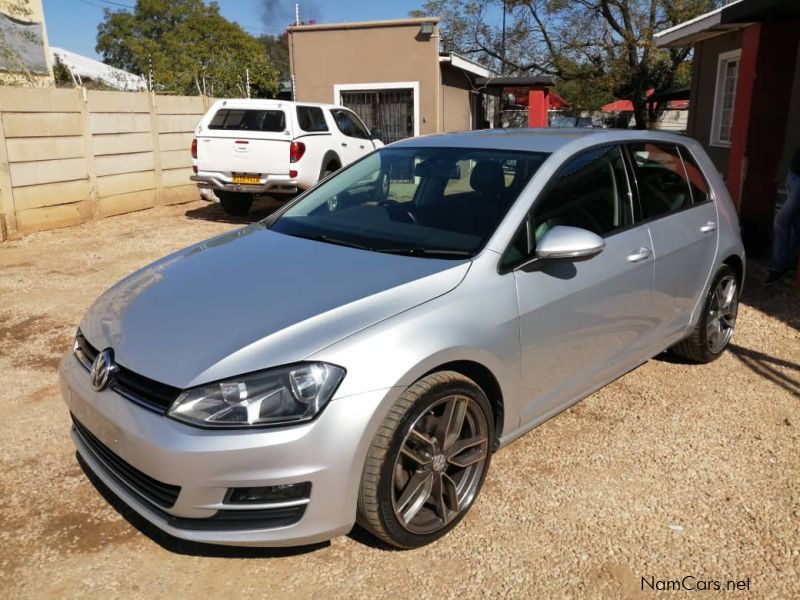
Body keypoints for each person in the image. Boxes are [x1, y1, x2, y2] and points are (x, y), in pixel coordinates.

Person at [764, 148, 800, 285]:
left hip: (798, 183)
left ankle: (778, 267)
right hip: (793, 176)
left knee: (780, 222)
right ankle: (789, 262)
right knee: (795, 222)